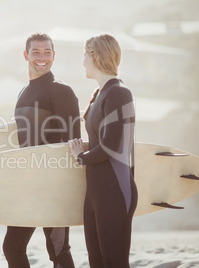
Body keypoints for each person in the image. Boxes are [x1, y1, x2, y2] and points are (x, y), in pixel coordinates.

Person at [3, 33, 80, 268]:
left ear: (54, 56)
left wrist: (67, 186)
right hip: (28, 183)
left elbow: (74, 141)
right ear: (26, 55)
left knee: (57, 249)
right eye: (36, 52)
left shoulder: (60, 91)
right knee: (12, 247)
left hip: (53, 185)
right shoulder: (24, 92)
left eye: (47, 52)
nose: (42, 57)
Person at [68, 33, 138, 267]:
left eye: (85, 55)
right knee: (96, 261)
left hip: (115, 190)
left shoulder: (119, 93)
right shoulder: (99, 94)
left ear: (95, 56)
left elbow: (110, 145)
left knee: (114, 261)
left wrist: (81, 157)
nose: (83, 62)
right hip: (96, 192)